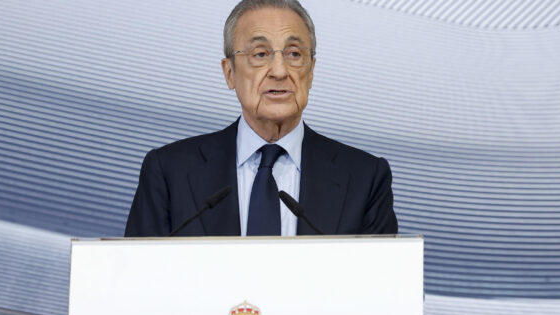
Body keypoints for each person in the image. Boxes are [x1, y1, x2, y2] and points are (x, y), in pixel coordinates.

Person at [125, 0, 398, 237]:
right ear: (229, 72)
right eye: (260, 55)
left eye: (294, 54)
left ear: (311, 71)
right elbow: (131, 281)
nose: (279, 71)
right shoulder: (169, 173)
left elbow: (391, 289)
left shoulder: (365, 179)